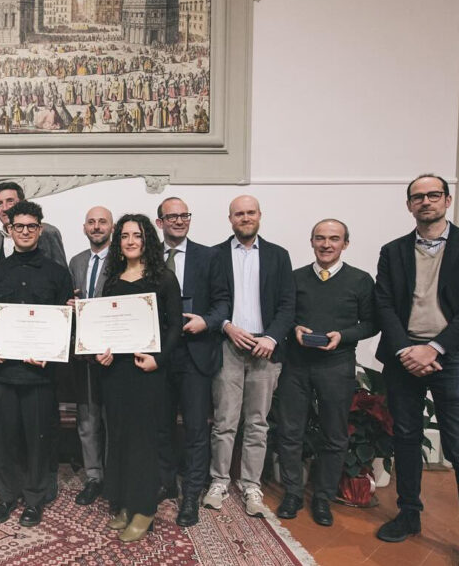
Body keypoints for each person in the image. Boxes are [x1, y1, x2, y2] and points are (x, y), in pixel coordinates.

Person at [373, 174, 459, 566]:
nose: (425, 201)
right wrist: (409, 349)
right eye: (417, 197)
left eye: (433, 195)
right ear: (409, 205)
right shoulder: (393, 251)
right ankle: (409, 513)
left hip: (455, 355)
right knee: (406, 438)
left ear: (446, 199)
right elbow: (385, 306)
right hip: (404, 353)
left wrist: (435, 347)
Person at [275, 219, 377, 526]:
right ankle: (293, 493)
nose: (326, 244)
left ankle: (323, 498)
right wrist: (294, 329)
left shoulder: (360, 280)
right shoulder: (294, 278)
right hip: (297, 365)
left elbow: (372, 323)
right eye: (320, 238)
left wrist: (341, 336)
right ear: (311, 242)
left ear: (345, 244)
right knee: (291, 432)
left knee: (334, 436)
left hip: (337, 366)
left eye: (334, 239)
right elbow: (282, 316)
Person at [0, 200, 73, 527]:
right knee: (4, 438)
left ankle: (34, 498)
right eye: (19, 226)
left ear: (40, 229)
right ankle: (6, 496)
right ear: (9, 230)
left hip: (39, 374)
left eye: (32, 226)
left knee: (37, 439)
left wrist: (52, 350)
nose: (25, 232)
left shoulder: (58, 274)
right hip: (2, 372)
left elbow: (65, 320)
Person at [204, 195, 295, 518]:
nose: (245, 218)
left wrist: (271, 337)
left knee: (257, 422)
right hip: (229, 344)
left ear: (260, 215)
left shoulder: (278, 256)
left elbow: (288, 304)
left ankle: (251, 485)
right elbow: (209, 303)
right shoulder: (214, 255)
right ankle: (219, 481)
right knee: (225, 420)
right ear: (230, 219)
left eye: (250, 212)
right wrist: (227, 326)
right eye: (238, 214)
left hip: (265, 348)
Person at [96, 214, 182, 542]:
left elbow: (175, 326)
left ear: (147, 240)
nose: (131, 241)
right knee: (117, 437)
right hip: (115, 372)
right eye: (125, 236)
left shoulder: (163, 279)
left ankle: (144, 508)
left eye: (138, 235)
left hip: (146, 371)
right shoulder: (113, 279)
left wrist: (157, 360)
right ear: (119, 242)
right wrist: (99, 352)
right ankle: (123, 504)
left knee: (143, 441)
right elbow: (102, 326)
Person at [153, 197, 230, 527]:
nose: (180, 221)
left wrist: (207, 322)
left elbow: (224, 301)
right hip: (160, 354)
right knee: (161, 425)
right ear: (160, 222)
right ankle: (166, 483)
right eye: (172, 216)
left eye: (185, 215)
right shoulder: (148, 256)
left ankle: (191, 497)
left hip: (196, 351)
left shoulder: (208, 256)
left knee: (197, 428)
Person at [66, 206, 113, 506]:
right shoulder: (77, 261)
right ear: (84, 228)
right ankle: (94, 477)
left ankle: (115, 477)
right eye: (92, 222)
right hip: (84, 353)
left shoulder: (123, 260)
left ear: (112, 227)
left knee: (114, 418)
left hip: (114, 353)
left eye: (102, 222)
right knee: (87, 419)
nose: (97, 227)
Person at [0, 182, 66, 266]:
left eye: (10, 201)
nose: (4, 208)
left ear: (23, 202)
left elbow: (62, 272)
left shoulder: (48, 232)